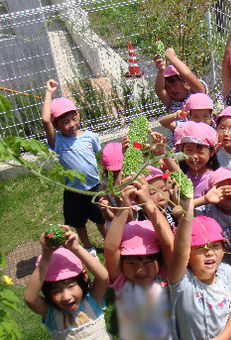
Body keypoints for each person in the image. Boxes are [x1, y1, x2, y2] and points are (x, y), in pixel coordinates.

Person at [104, 177, 176, 340]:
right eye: (131, 262)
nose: (140, 270)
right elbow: (110, 248)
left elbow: (169, 244)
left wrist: (149, 205)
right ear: (121, 262)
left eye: (148, 261)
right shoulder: (123, 282)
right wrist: (123, 208)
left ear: (159, 259)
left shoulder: (164, 274)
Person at [41, 79, 105, 256]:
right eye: (65, 122)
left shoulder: (90, 136)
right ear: (56, 125)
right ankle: (88, 247)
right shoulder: (57, 141)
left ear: (78, 116)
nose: (71, 124)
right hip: (73, 192)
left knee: (101, 218)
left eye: (73, 119)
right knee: (79, 223)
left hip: (94, 189)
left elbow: (97, 157)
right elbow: (45, 120)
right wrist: (49, 92)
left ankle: (109, 242)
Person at [24, 226, 110, 339]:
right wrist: (45, 260)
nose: (66, 296)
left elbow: (103, 277)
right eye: (56, 291)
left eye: (71, 286)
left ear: (84, 277)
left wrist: (77, 249)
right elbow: (30, 298)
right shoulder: (51, 313)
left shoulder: (92, 300)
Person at [168, 214, 231, 340]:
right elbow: (179, 253)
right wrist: (187, 208)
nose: (209, 252)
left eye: (215, 246)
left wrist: (222, 338)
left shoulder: (226, 272)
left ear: (223, 249)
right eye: (200, 247)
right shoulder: (182, 281)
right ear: (188, 253)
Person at [153, 47, 206, 114]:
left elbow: (187, 74)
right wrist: (161, 70)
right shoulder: (172, 103)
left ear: (183, 79)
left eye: (173, 82)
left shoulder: (197, 92)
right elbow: (159, 90)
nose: (171, 89)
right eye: (167, 87)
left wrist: (171, 57)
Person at [174, 121, 220, 198]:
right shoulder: (179, 172)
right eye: (189, 150)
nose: (194, 156)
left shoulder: (213, 180)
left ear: (212, 152)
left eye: (200, 151)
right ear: (182, 150)